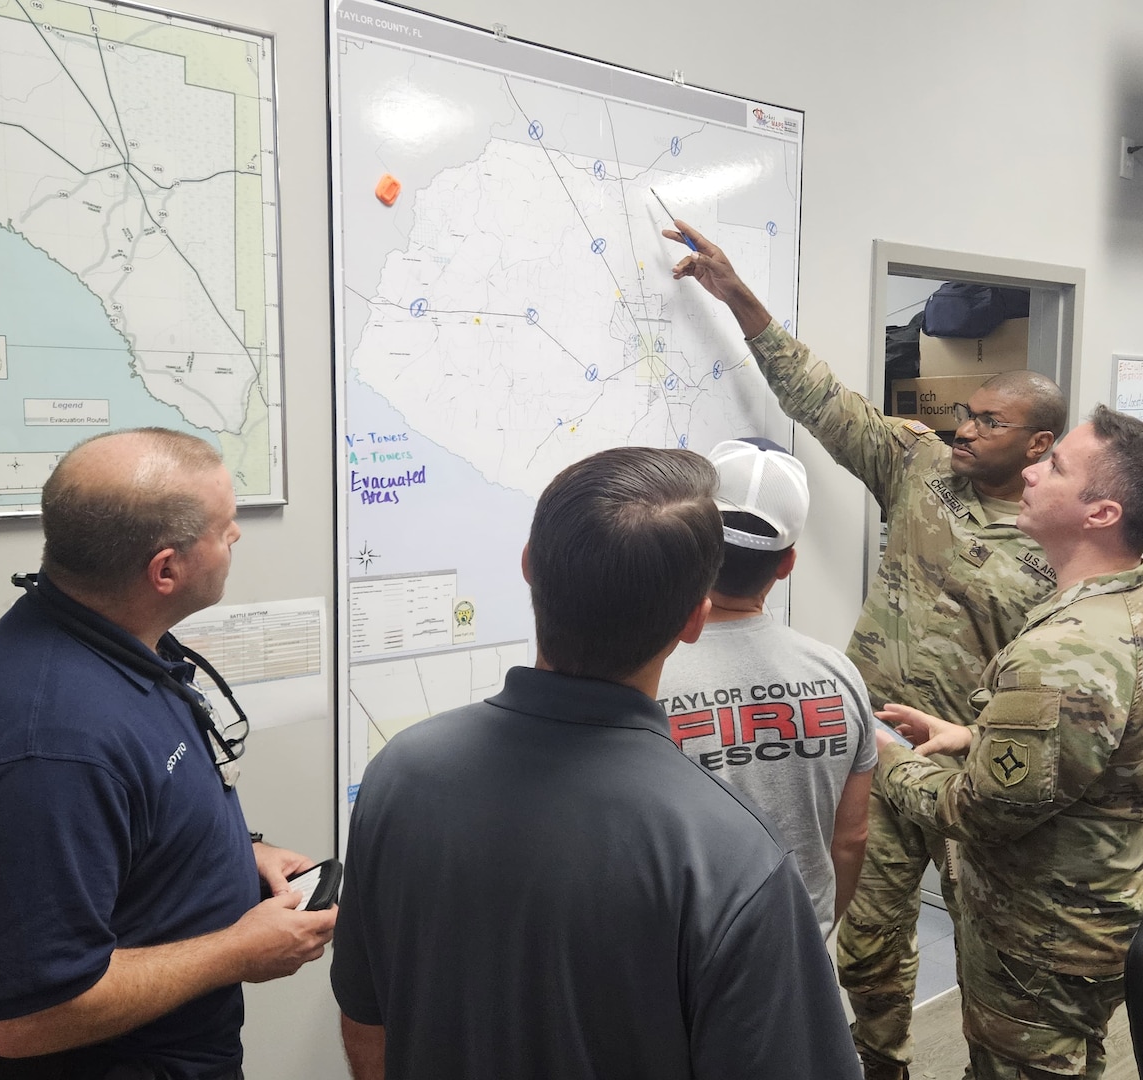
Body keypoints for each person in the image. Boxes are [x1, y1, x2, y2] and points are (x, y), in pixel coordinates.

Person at [667, 221, 1067, 1080]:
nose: (964, 430)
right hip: (879, 755)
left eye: (989, 422)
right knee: (868, 953)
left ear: (1038, 446)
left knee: (995, 968)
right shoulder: (920, 466)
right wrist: (735, 294)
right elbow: (819, 396)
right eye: (966, 413)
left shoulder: (1057, 538)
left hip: (974, 772)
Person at [332, 446, 862, 1080]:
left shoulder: (399, 775)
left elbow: (366, 1024)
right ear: (695, 617)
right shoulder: (729, 853)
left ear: (529, 569)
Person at [0, 428, 337, 1080]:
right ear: (166, 569)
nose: (235, 537)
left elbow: (131, 807)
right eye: (224, 527)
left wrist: (241, 856)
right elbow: (28, 1018)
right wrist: (240, 951)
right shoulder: (52, 749)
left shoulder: (107, 634)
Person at [875, 406, 1143, 1078]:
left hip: (1039, 942)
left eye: (1055, 466)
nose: (1030, 471)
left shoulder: (1061, 652)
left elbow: (977, 815)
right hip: (1101, 916)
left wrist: (886, 762)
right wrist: (972, 735)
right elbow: (1106, 752)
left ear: (1100, 512)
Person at [657, 436, 875, 937]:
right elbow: (851, 838)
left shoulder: (646, 673)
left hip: (684, 950)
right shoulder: (838, 674)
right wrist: (821, 922)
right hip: (796, 942)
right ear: (787, 563)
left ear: (695, 541)